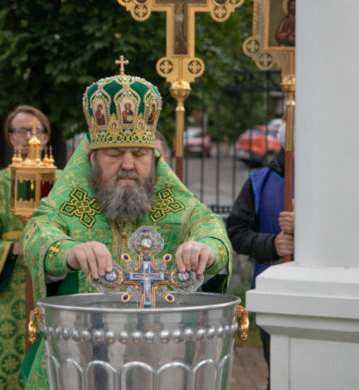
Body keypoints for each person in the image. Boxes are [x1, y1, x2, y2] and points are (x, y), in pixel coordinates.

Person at [20, 71, 232, 389]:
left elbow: (210, 228)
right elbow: (38, 232)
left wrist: (206, 247)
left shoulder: (177, 206)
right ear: (92, 159)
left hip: (162, 362)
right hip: (79, 360)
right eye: (115, 154)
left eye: (140, 154)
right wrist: (68, 252)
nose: (129, 164)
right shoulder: (68, 203)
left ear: (155, 159)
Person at [0, 105, 59, 390]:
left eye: (38, 131)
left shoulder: (64, 181)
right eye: (22, 130)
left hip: (50, 283)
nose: (30, 136)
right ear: (9, 137)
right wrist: (12, 249)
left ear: (46, 137)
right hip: (7, 288)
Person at [225, 123, 293, 390]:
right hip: (272, 293)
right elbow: (236, 231)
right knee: (278, 374)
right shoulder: (259, 182)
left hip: (322, 292)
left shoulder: (327, 184)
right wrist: (272, 244)